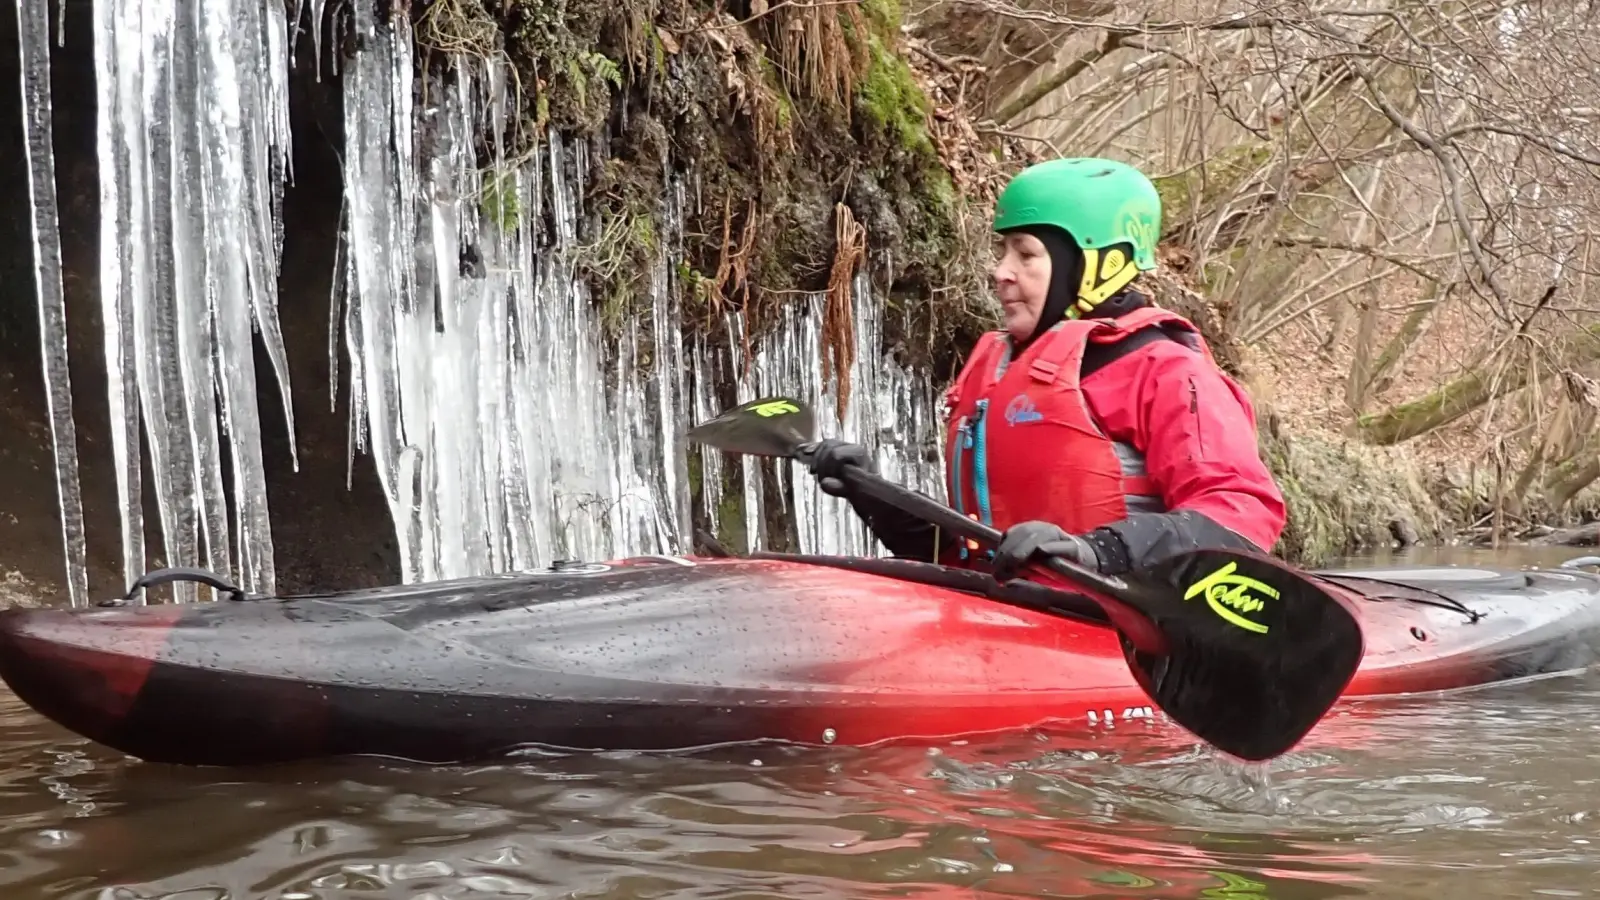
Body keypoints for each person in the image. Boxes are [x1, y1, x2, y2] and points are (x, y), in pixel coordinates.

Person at [806, 157, 1286, 582]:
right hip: (999, 619)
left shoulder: (1168, 372)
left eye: (1026, 253)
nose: (1001, 271)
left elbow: (1240, 518)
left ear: (1101, 265)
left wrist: (1096, 551)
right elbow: (963, 553)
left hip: (1109, 630)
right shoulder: (995, 368)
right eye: (1003, 252)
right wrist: (878, 498)